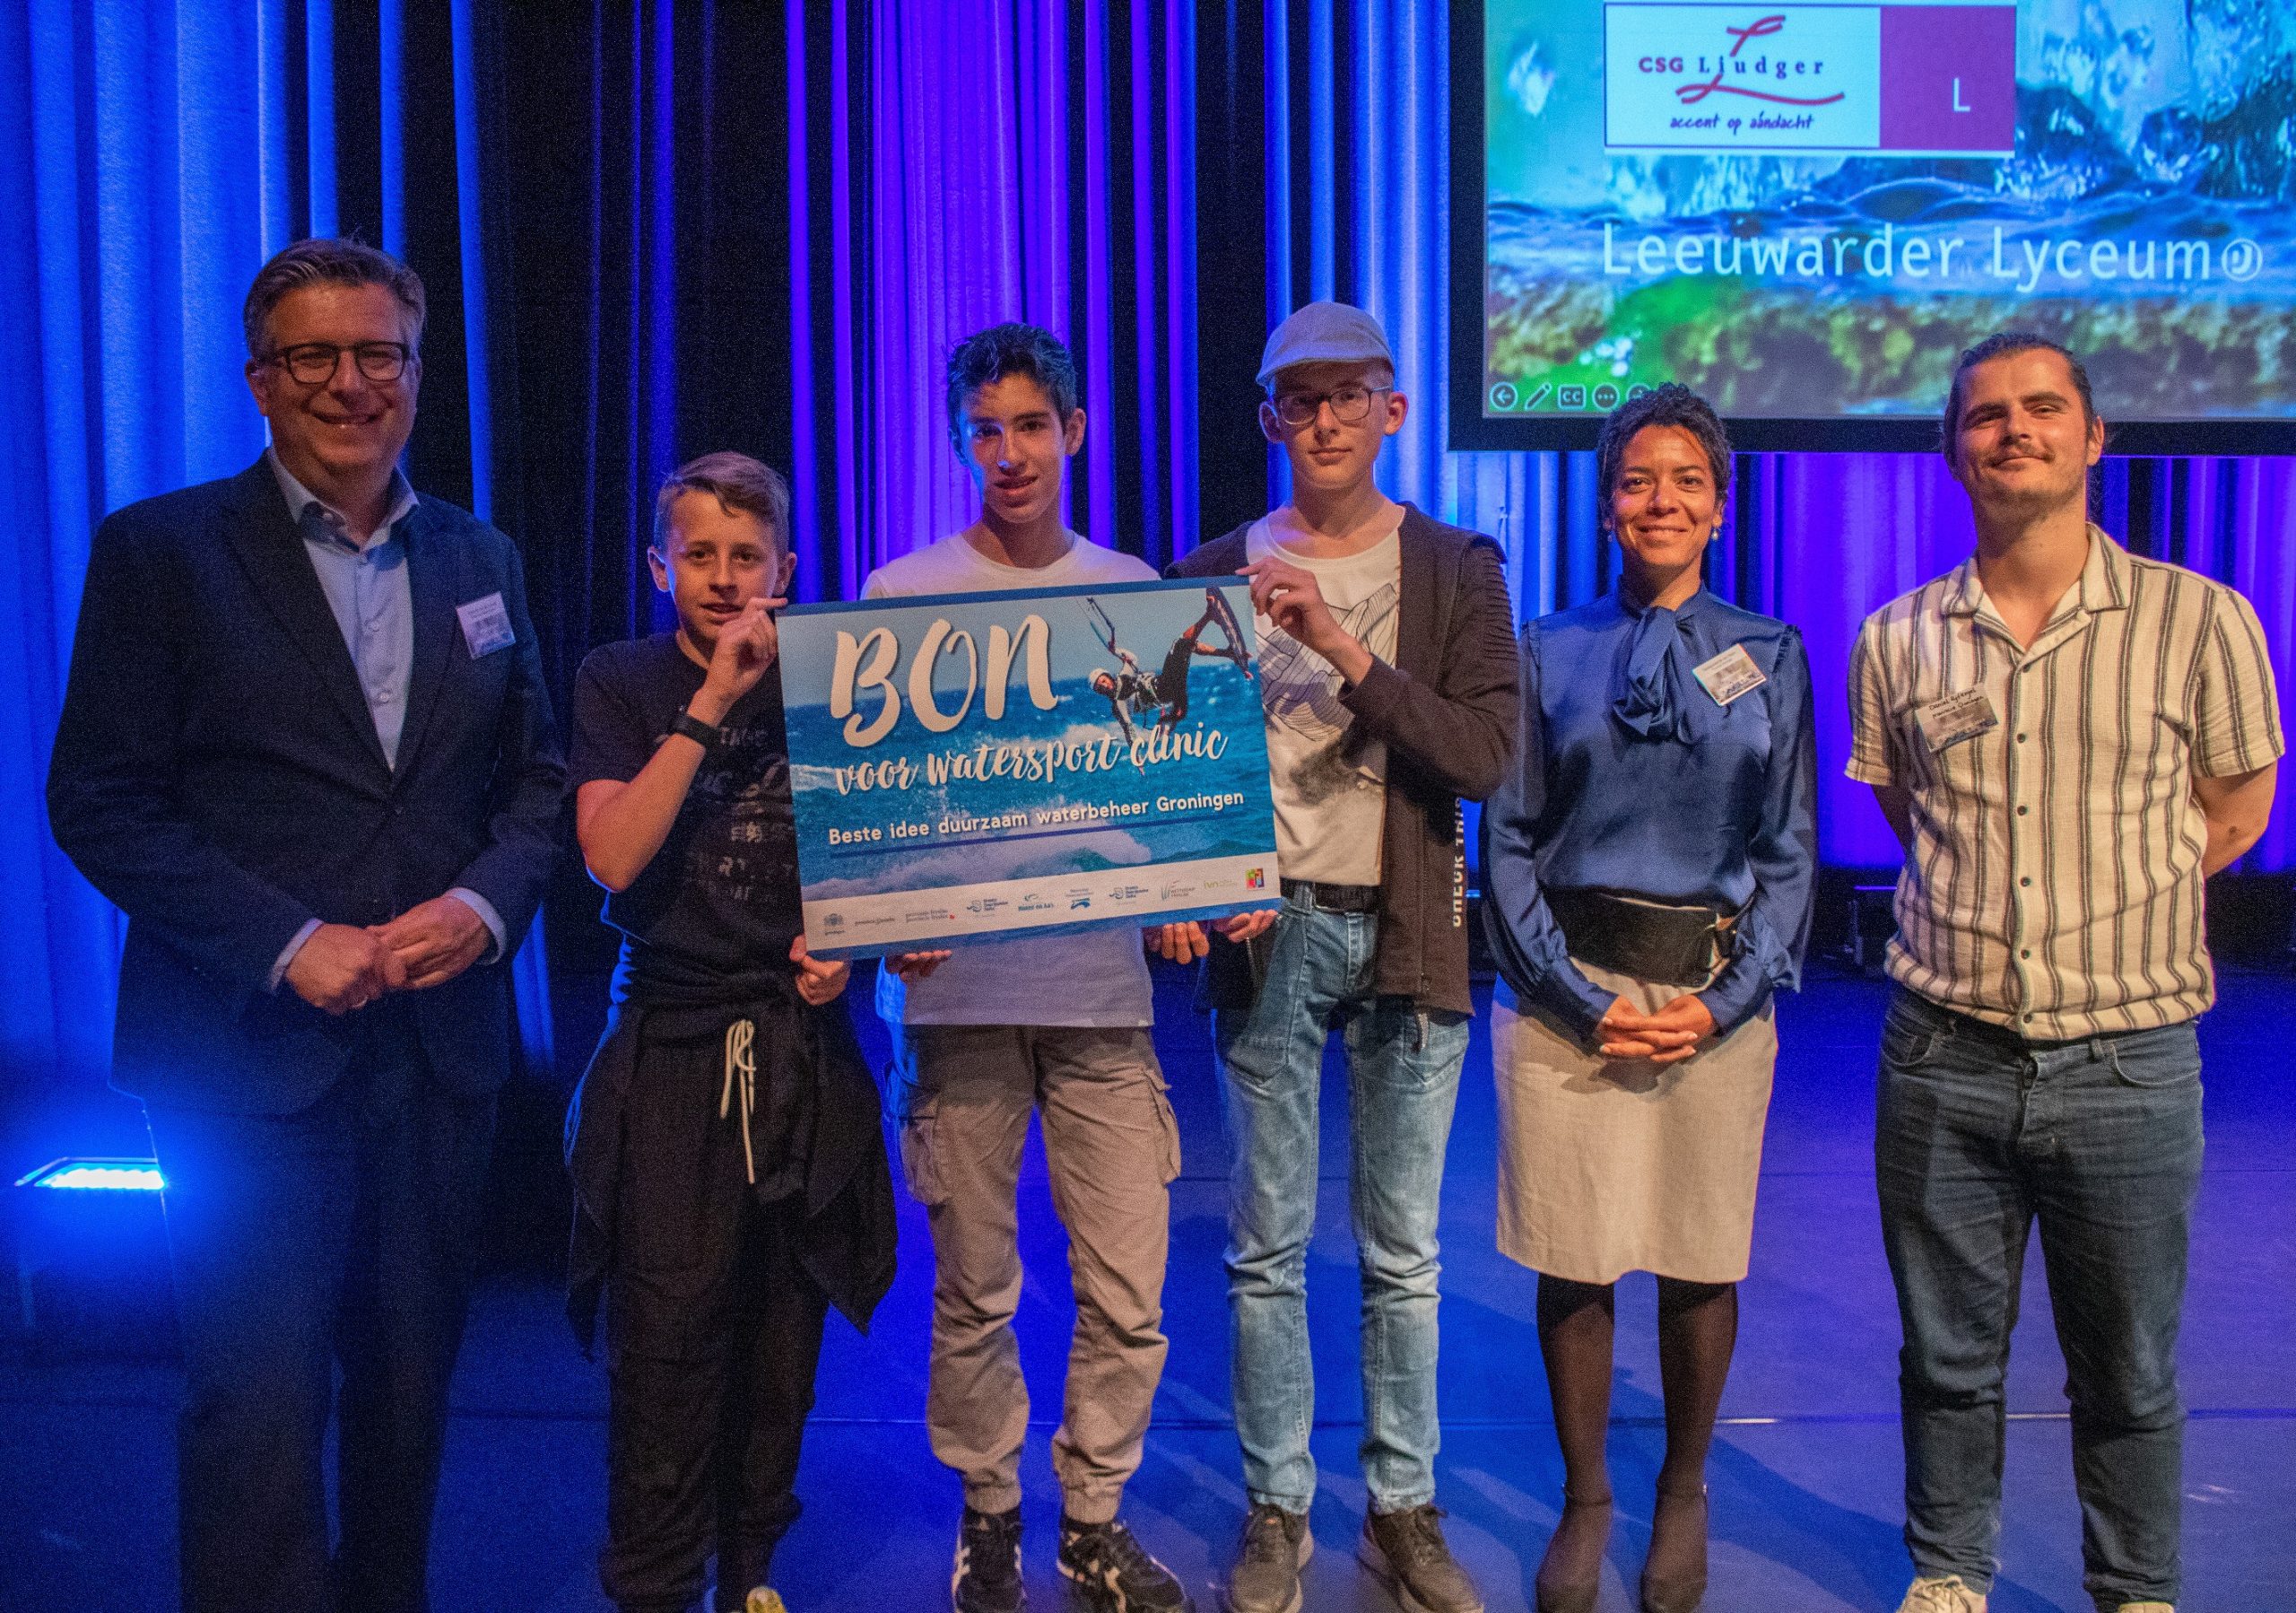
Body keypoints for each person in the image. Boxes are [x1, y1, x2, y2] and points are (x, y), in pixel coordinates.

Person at [45, 237, 564, 1613]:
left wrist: (480, 904)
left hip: (437, 1058)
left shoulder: (482, 551)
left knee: (408, 1407)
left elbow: (538, 784)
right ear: (260, 379)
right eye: (314, 356)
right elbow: (97, 800)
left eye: (377, 353)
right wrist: (286, 940)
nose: (351, 382)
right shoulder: (159, 553)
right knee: (257, 1417)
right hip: (238, 1061)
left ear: (415, 368)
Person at [1848, 334, 2282, 1613]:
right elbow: (1907, 814)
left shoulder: (2202, 619)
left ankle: (2136, 1587)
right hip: (1944, 1055)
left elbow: (2238, 809)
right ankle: (1949, 1573)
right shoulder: (1898, 636)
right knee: (1945, 1356)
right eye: (1986, 415)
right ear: (1953, 448)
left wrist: (2116, 906)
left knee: (2130, 1366)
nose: (2014, 430)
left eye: (2044, 409)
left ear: (2096, 439)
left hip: (2132, 1064)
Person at [1163, 301, 1518, 1613]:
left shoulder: (1456, 566)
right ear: (1269, 419)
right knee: (1264, 1243)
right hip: (1270, 939)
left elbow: (1485, 754)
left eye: (1346, 396)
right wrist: (1191, 885)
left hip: (1409, 928)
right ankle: (1276, 1505)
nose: (1322, 421)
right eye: (1297, 401)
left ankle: (1404, 1506)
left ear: (1393, 411)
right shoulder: (1205, 570)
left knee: (1401, 1250)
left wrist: (1336, 639)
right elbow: (1173, 779)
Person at [864, 323, 1201, 1613]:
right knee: (974, 1289)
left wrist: (1182, 889)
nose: (1008, 451)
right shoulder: (902, 596)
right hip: (955, 1007)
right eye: (984, 429)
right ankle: (992, 1512)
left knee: (1129, 1289)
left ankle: (1096, 1516)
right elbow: (875, 808)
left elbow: (1169, 795)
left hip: (1101, 1007)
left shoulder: (1132, 589)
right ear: (960, 442)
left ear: (1074, 433)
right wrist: (884, 911)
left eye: (1030, 426)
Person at [1480, 384, 1817, 1613]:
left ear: (1719, 506)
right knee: (1576, 1254)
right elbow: (1507, 844)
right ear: (1610, 501)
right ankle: (1586, 1496)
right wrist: (1573, 995)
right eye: (1638, 479)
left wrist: (1720, 1004)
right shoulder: (1547, 648)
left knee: (1693, 1253)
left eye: (1687, 480)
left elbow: (1788, 854)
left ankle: (1682, 1487)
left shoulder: (1770, 652)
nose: (1660, 499)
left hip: (1710, 998)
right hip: (1571, 998)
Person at [563, 454, 903, 1613]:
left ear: (786, 569)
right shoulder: (620, 678)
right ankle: (655, 1583)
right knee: (668, 1348)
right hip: (672, 1052)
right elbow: (613, 854)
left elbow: (890, 860)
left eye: (746, 555)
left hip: (802, 1052)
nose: (722, 576)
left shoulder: (841, 679)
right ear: (662, 566)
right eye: (699, 553)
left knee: (778, 1347)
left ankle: (752, 1569)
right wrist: (709, 702)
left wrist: (852, 944)